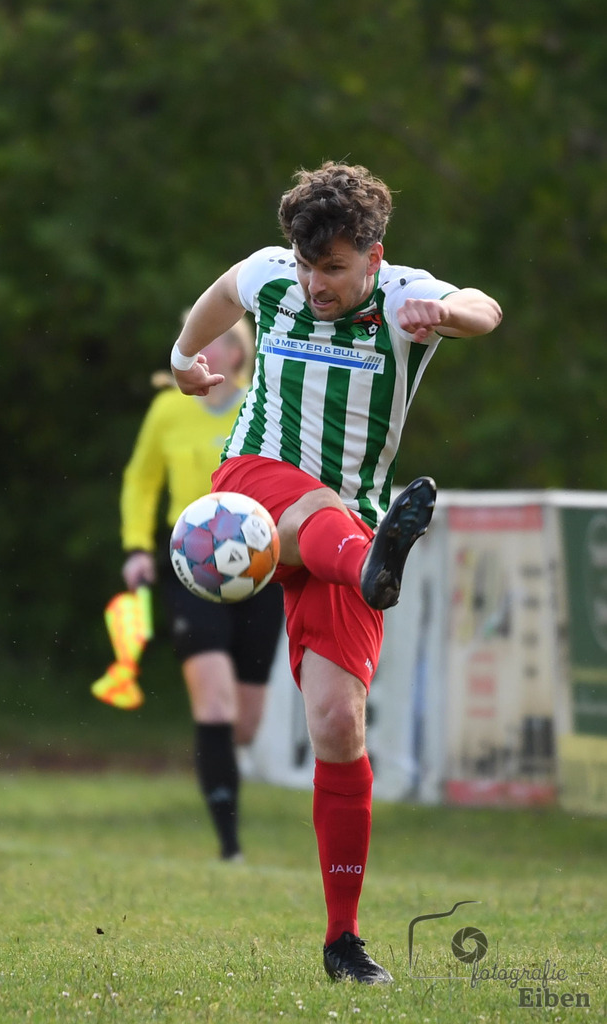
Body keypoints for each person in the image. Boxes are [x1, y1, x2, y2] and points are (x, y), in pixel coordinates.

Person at [168, 161, 503, 984]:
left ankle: (342, 941)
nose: (315, 283)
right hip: (253, 486)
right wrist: (181, 357)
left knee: (336, 725)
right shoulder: (273, 275)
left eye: (333, 268)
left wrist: (445, 313)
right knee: (317, 510)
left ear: (373, 258)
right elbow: (225, 289)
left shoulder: (406, 295)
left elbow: (486, 309)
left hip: (348, 523)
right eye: (305, 264)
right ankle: (369, 564)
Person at [120, 315, 284, 861]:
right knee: (214, 703)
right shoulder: (167, 409)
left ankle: (217, 772)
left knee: (244, 723)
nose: (201, 346)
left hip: (260, 571)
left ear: (238, 353)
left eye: (214, 338)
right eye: (194, 337)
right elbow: (141, 480)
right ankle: (229, 847)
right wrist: (137, 547)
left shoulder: (264, 406)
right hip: (190, 570)